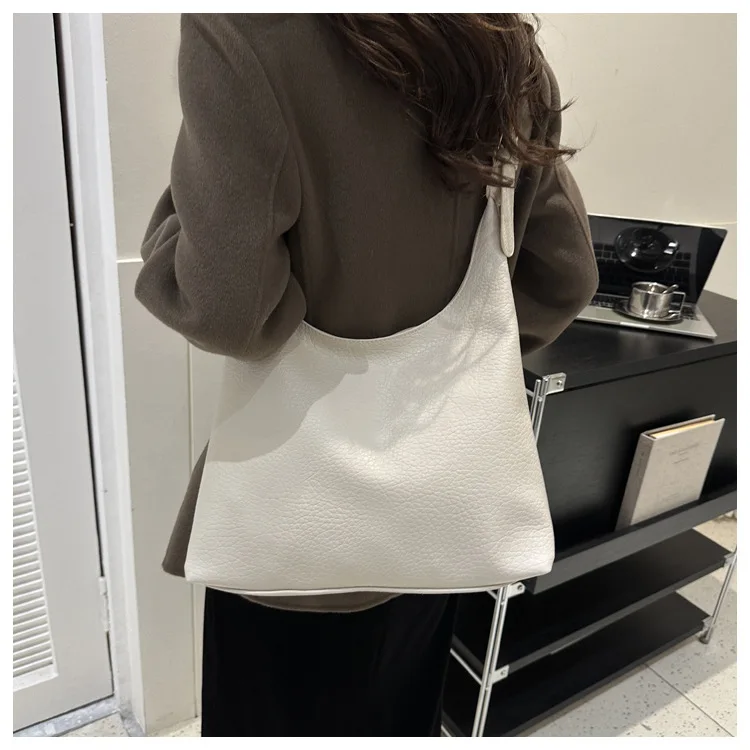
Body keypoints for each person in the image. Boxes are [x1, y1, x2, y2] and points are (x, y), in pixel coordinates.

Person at [136, 13, 598, 737]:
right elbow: (563, 278)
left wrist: (175, 224)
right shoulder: (501, 46)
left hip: (286, 544)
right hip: (440, 527)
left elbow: (227, 309)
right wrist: (454, 362)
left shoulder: (242, 30)